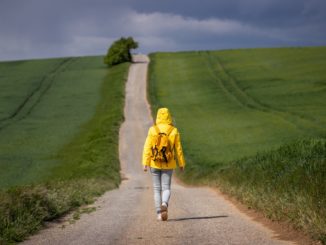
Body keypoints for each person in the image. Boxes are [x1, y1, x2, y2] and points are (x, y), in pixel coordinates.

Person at [142, 108, 185, 221]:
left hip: (154, 163)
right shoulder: (174, 130)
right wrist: (181, 163)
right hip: (168, 163)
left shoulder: (152, 130)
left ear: (157, 117)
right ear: (169, 117)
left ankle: (159, 214)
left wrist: (145, 163)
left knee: (157, 189)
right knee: (166, 187)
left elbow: (147, 147)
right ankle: (164, 204)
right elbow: (178, 149)